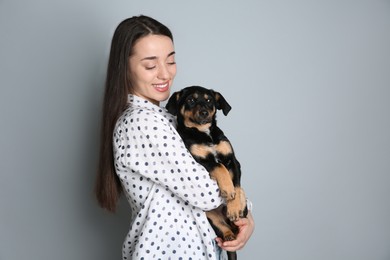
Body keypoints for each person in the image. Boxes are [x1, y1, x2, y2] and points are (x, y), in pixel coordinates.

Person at [95, 15, 255, 259]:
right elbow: (205, 192)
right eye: (150, 65)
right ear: (124, 68)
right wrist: (240, 203)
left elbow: (216, 183)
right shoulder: (141, 122)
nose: (164, 74)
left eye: (171, 61)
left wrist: (244, 216)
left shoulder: (169, 120)